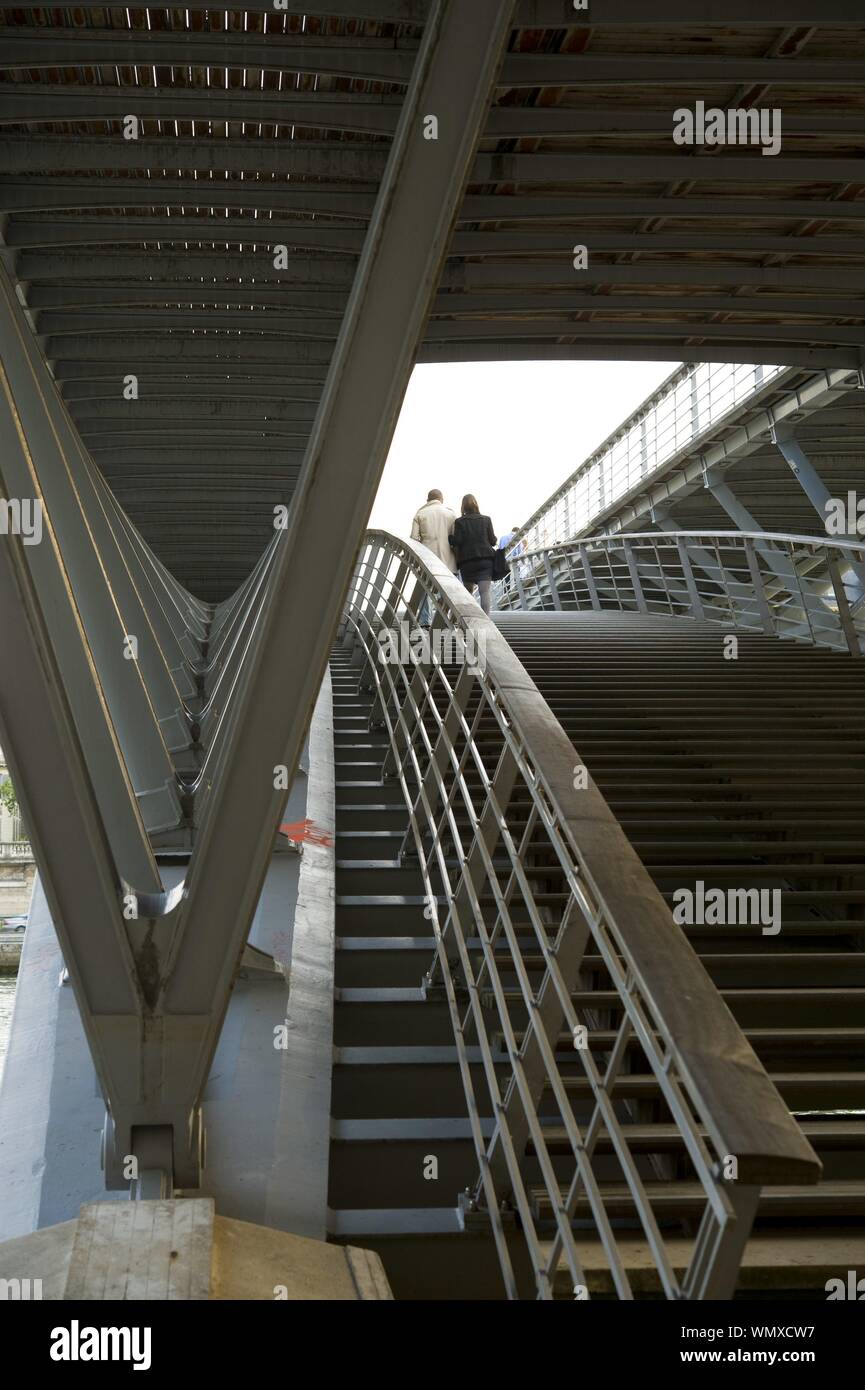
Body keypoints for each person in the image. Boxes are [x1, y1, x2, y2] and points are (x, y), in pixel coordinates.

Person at [410, 489, 457, 626]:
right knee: (447, 592)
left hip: (427, 559)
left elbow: (413, 538)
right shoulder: (451, 514)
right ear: (441, 499)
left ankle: (425, 621)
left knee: (424, 590)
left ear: (427, 500)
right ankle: (444, 619)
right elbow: (455, 538)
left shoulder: (420, 514)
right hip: (449, 559)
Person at [449, 494, 498, 616]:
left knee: (468, 592)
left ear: (463, 506)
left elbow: (458, 541)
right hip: (485, 559)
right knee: (484, 592)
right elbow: (493, 541)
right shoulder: (486, 519)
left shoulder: (460, 522)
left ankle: (470, 618)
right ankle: (486, 621)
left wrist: (450, 538)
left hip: (467, 561)